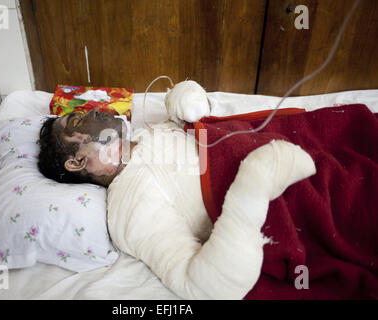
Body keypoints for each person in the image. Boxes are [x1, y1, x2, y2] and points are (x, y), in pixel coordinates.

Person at [38, 104, 315, 299]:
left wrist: (187, 102)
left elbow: (201, 122)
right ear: (76, 162)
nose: (95, 110)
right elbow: (206, 286)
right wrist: (254, 185)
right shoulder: (128, 209)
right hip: (296, 196)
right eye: (77, 121)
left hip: (299, 142)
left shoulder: (149, 132)